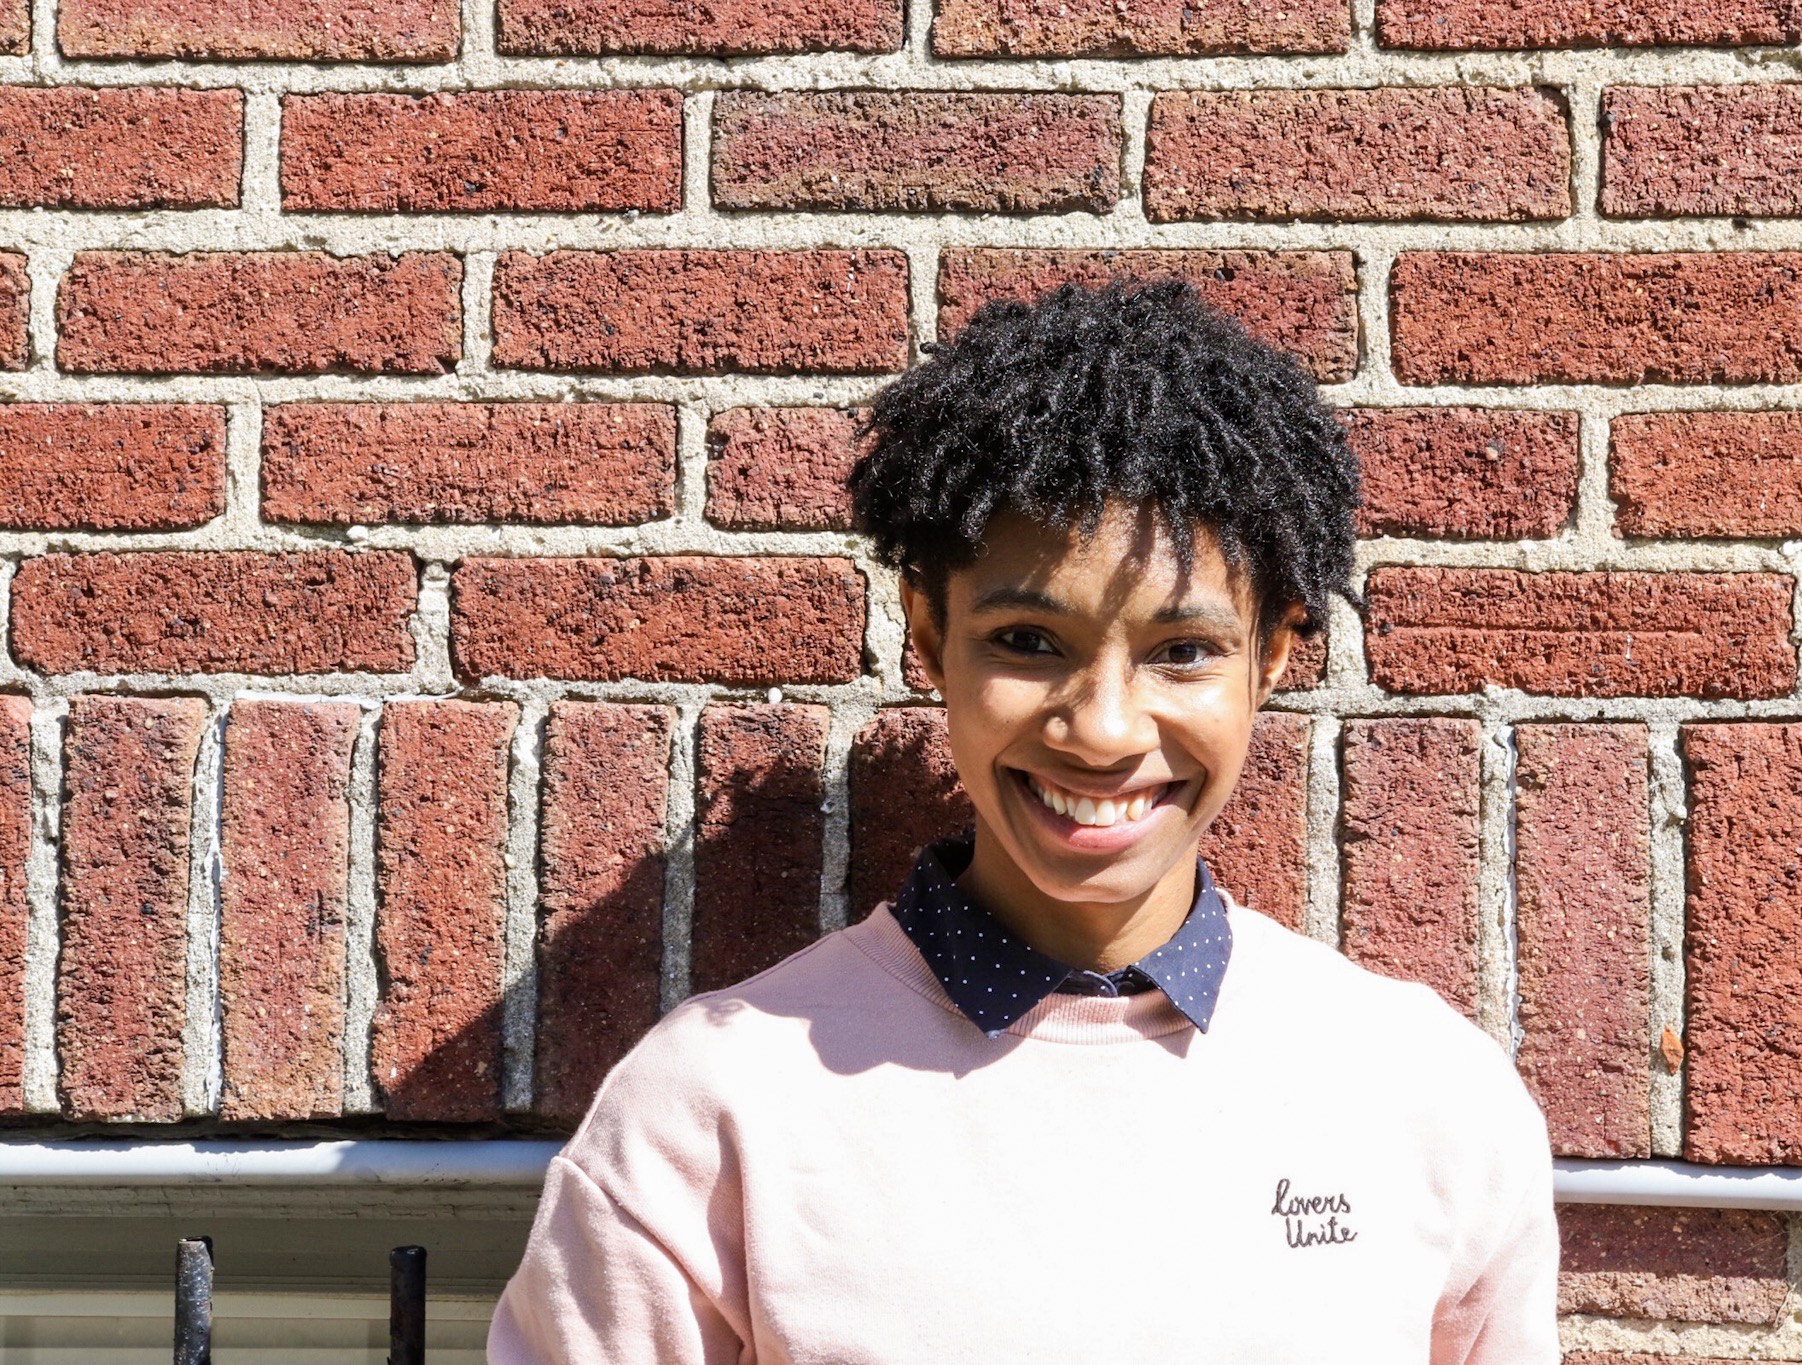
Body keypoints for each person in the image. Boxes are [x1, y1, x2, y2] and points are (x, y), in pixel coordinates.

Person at [488, 280, 1560, 1363]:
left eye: (1181, 652)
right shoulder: (711, 1118)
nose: (1099, 732)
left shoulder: (1425, 1096)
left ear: (1273, 656)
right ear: (927, 635)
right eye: (1027, 643)